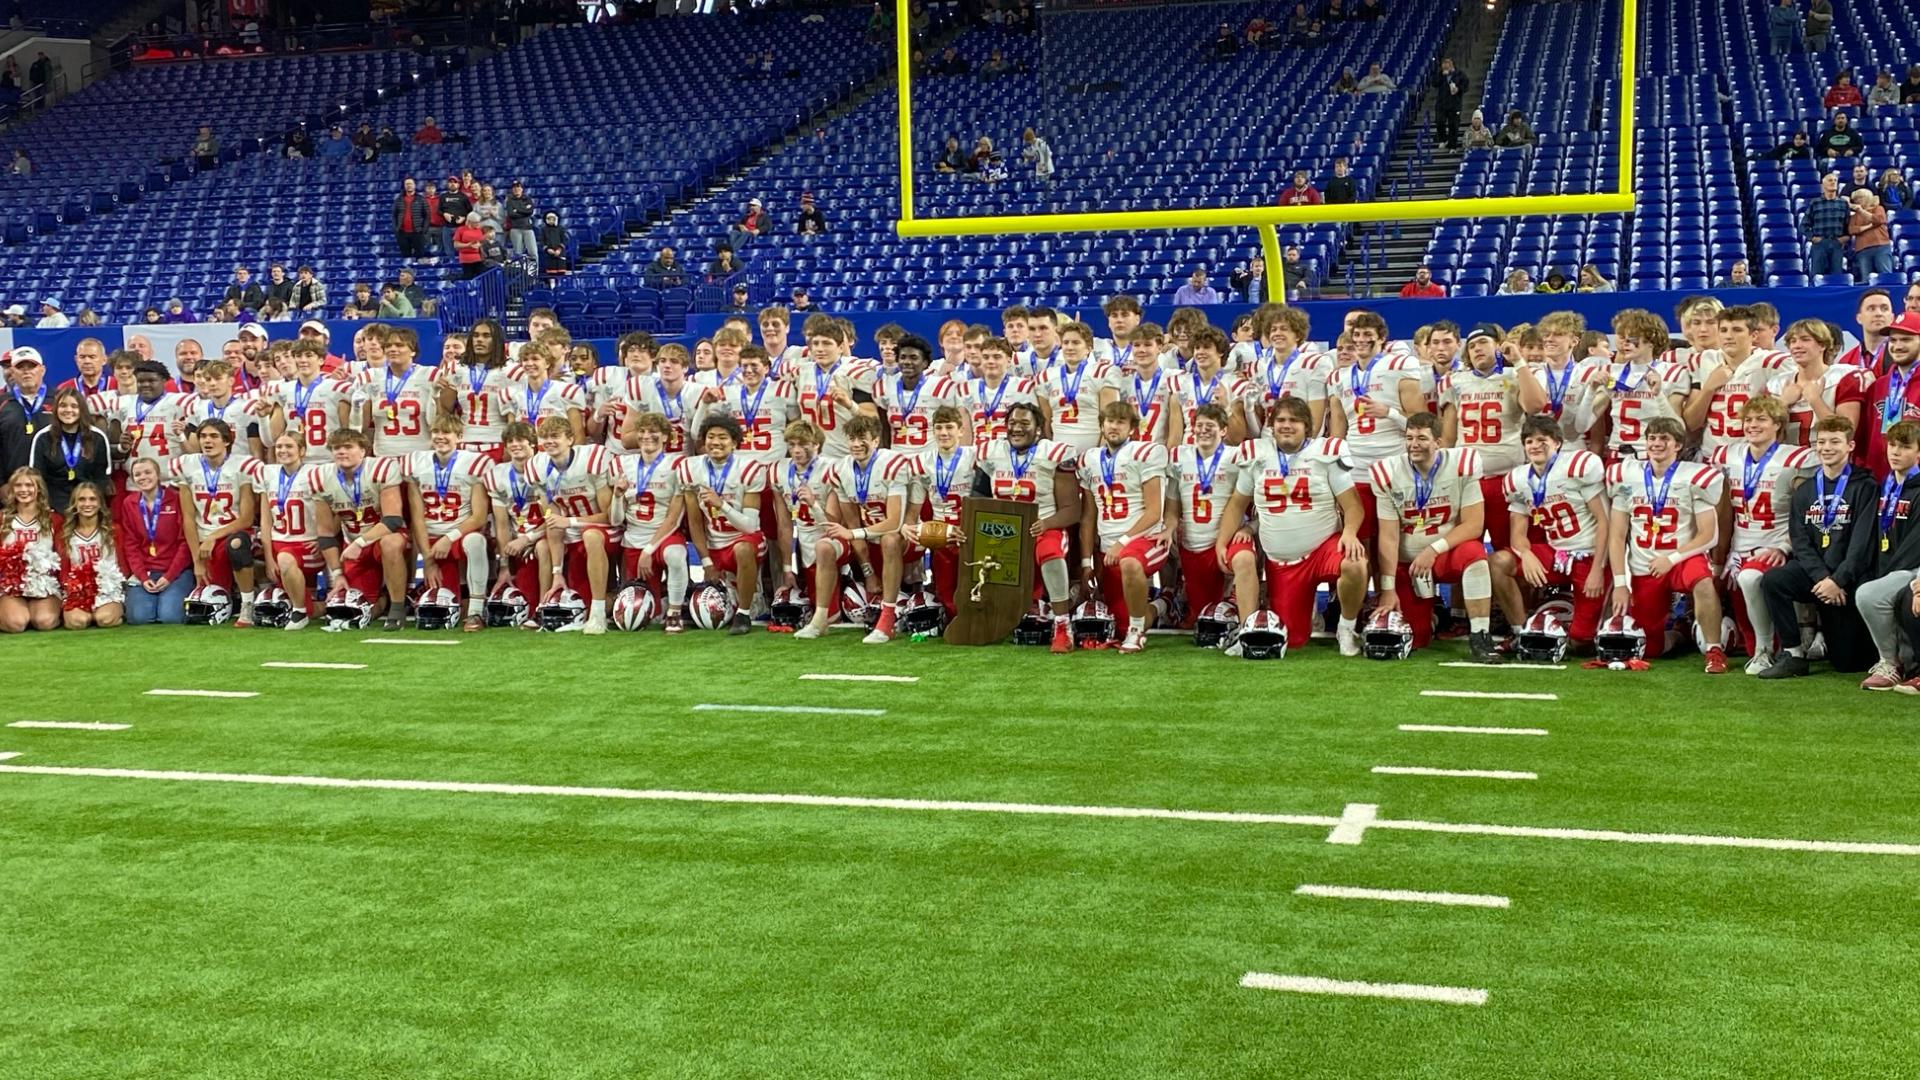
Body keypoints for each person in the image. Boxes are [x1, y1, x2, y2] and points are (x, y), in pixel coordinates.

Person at [1370, 412, 1502, 662]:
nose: (1414, 444)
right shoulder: (1388, 472)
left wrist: (1433, 550)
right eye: (1409, 438)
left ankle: (1480, 635)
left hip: (1443, 555)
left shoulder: (1462, 463)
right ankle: (1432, 616)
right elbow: (1387, 536)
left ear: (1438, 442)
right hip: (1409, 564)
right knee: (1416, 639)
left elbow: (1474, 525)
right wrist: (1387, 589)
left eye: (1421, 438)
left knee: (1475, 554)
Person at [1605, 416, 1727, 669]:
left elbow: (1709, 535)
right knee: (1650, 649)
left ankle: (1714, 650)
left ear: (1678, 445)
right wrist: (1620, 583)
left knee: (1703, 582)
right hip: (1645, 563)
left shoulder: (1694, 477)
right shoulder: (1626, 476)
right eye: (1652, 438)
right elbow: (1616, 535)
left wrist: (1671, 559)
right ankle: (1681, 634)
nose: (1657, 443)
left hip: (1681, 557)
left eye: (1664, 438)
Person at [1757, 415, 1876, 676]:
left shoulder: (1865, 486)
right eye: (1821, 442)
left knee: (1848, 664)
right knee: (1774, 580)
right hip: (1818, 577)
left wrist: (1838, 580)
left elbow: (1862, 544)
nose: (1827, 448)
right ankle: (1794, 654)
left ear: (1850, 446)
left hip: (1849, 580)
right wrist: (1822, 577)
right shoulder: (1805, 490)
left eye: (1835, 441)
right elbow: (1800, 542)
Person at [1707, 398, 1817, 670]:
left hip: (1775, 545)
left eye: (1761, 420)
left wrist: (1786, 547)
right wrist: (1720, 556)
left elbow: (1806, 514)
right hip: (1739, 549)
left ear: (1778, 425)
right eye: (1749, 420)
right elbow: (1723, 511)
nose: (1753, 425)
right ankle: (1761, 645)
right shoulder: (1727, 455)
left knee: (1751, 578)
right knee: (1747, 618)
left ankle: (1765, 650)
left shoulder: (1795, 458)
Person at [972, 401, 1080, 651]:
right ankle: (991, 615)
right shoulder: (992, 452)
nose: (1016, 429)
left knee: (1050, 552)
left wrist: (1046, 524)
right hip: (1006, 530)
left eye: (1024, 423)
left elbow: (1072, 510)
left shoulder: (1053, 454)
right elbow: (979, 499)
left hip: (1045, 526)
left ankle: (1063, 625)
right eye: (1012, 423)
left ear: (1039, 428)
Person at [1848, 421, 1920, 688]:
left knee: (1869, 594)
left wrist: (1891, 572)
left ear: (1918, 453)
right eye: (1892, 445)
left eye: (1905, 447)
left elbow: (1915, 544)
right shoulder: (1886, 485)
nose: (1896, 452)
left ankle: (1890, 662)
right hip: (1893, 566)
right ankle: (1894, 662)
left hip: (1913, 568)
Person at [679, 414, 763, 635]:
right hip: (714, 542)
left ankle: (743, 614)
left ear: (735, 442)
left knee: (743, 549)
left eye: (723, 437)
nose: (715, 442)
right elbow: (695, 522)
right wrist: (706, 562)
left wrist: (722, 505)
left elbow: (751, 527)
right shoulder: (690, 468)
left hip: (743, 538)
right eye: (711, 437)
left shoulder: (749, 468)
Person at [115, 457, 192, 624]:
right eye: (138, 474)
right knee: (138, 618)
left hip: (175, 572)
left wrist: (170, 576)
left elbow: (185, 542)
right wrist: (142, 577)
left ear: (158, 474)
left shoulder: (176, 498)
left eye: (148, 472)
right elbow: (131, 544)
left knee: (170, 617)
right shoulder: (129, 503)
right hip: (146, 572)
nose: (143, 477)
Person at [28, 387, 111, 513]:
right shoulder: (42, 437)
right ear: (56, 409)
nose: (68, 410)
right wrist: (46, 505)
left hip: (88, 507)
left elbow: (101, 477)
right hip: (53, 507)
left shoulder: (97, 437)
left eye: (74, 406)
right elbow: (37, 478)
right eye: (63, 405)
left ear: (82, 410)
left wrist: (90, 505)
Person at [0, 467, 60, 632]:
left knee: (44, 621)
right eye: (18, 485)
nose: (24, 490)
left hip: (44, 585)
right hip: (10, 587)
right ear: (12, 489)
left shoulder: (53, 520)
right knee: (16, 624)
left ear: (38, 489)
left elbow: (63, 557)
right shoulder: (3, 519)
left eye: (29, 485)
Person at [1, 345, 51, 478]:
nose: (26, 371)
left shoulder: (60, 400)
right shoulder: (2, 403)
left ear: (42, 370)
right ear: (13, 372)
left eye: (31, 366)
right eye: (20, 367)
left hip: (53, 485)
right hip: (13, 485)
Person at [1801, 172, 1851, 277]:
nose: (1833, 182)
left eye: (1835, 180)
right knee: (1817, 276)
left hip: (1837, 243)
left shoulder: (1843, 203)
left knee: (1836, 276)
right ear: (1823, 185)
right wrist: (1813, 238)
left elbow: (1849, 224)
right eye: (1830, 180)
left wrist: (1846, 237)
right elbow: (1804, 225)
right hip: (1820, 244)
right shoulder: (1815, 203)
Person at [1848, 189, 1894, 281]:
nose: (1857, 200)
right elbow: (1852, 230)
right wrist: (1869, 226)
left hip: (1881, 246)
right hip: (1862, 249)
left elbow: (1879, 220)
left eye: (1860, 197)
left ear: (1868, 197)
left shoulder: (1878, 208)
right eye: (1856, 199)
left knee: (1885, 275)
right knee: (1866, 278)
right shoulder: (1854, 216)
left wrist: (1861, 211)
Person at [1432, 58, 1469, 148]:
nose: (1445, 66)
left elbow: (1466, 85)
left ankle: (1453, 146)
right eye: (1443, 65)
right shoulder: (1440, 74)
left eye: (1447, 64)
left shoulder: (1460, 74)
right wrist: (1441, 75)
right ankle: (1443, 139)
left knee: (1453, 125)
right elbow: (1434, 83)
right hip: (1441, 104)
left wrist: (1458, 89)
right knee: (1440, 122)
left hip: (1454, 104)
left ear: (1451, 64)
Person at [393, 177, 429, 259]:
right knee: (405, 257)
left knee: (420, 256)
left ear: (414, 185)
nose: (409, 185)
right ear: (404, 186)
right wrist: (396, 228)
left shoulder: (421, 199)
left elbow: (427, 215)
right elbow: (394, 215)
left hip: (417, 233)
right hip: (402, 233)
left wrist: (424, 230)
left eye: (410, 184)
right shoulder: (398, 199)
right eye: (407, 184)